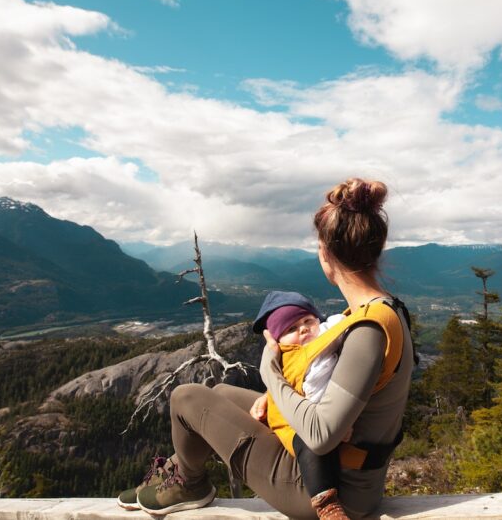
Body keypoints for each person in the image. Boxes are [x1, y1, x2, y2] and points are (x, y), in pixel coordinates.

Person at [117, 178, 414, 519]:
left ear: (325, 253)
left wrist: (270, 372)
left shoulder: (367, 331)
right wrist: (276, 397)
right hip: (347, 474)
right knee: (222, 394)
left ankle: (190, 482)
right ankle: (180, 473)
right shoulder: (384, 311)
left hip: (330, 490)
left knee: (186, 397)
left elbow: (320, 435)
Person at [249, 290, 349, 518]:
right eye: (291, 328)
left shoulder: (324, 336)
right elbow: (287, 382)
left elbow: (342, 322)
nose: (303, 329)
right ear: (278, 340)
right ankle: (327, 505)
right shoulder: (290, 356)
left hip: (324, 413)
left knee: (319, 441)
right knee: (310, 443)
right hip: (293, 422)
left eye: (308, 321)